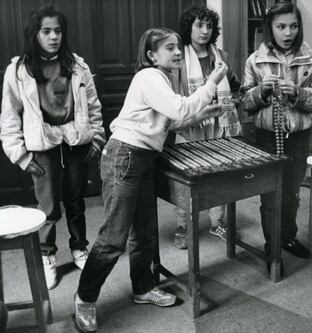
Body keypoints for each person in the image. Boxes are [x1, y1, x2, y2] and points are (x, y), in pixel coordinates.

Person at [74, 27, 228, 332]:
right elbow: (179, 108)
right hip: (125, 156)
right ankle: (85, 299)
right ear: (151, 55)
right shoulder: (149, 77)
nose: (176, 52)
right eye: (169, 47)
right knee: (113, 237)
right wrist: (212, 82)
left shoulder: (162, 79)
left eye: (177, 47)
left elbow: (172, 120)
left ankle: (143, 288)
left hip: (142, 158)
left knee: (145, 232)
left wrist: (202, 113)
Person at [0, 6, 105, 289]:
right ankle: (47, 256)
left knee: (75, 200)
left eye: (57, 31)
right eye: (46, 31)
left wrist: (96, 137)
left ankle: (79, 248)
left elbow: (93, 106)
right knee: (47, 207)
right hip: (41, 147)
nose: (53, 36)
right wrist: (20, 156)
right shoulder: (19, 70)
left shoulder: (77, 65)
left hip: (75, 143)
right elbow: (9, 116)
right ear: (35, 34)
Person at [241, 2, 312, 260]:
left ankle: (287, 238)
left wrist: (299, 94)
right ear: (270, 27)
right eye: (281, 27)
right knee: (270, 195)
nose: (288, 32)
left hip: (300, 136)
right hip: (267, 136)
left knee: (291, 192)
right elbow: (245, 102)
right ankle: (272, 247)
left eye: (293, 26)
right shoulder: (255, 60)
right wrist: (261, 92)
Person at [171, 6, 242, 249]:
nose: (204, 31)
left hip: (218, 124)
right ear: (188, 28)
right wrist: (194, 112)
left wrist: (231, 102)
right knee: (185, 178)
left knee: (218, 174)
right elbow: (174, 94)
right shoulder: (178, 56)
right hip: (191, 124)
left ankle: (216, 222)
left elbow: (234, 85)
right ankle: (183, 225)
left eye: (209, 26)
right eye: (199, 25)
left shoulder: (221, 55)